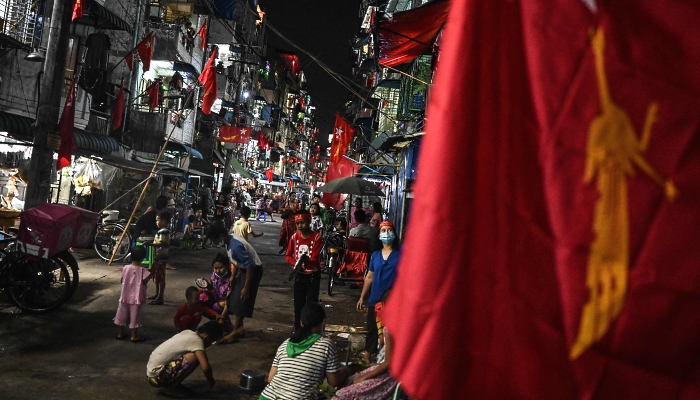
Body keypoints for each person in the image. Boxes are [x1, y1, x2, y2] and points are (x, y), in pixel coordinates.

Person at [260, 303, 348, 400]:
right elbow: (334, 382)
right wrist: (346, 370)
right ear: (323, 322)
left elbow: (270, 378)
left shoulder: (286, 343)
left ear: (301, 322)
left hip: (267, 396)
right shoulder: (326, 344)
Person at [333, 293, 397, 399]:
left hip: (391, 376)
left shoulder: (391, 328)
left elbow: (387, 364)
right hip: (391, 370)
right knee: (349, 381)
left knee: (342, 394)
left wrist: (363, 377)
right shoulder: (396, 324)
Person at [356, 220, 401, 361]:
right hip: (374, 298)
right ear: (379, 235)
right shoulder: (375, 255)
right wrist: (362, 297)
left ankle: (387, 358)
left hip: (393, 300)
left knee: (390, 331)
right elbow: (369, 277)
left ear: (394, 233)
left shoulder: (400, 255)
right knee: (372, 329)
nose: (386, 233)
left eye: (389, 230)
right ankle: (368, 354)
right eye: (383, 231)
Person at [146, 321, 223, 397]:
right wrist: (210, 380)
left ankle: (174, 383)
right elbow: (205, 367)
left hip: (152, 374)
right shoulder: (197, 341)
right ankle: (170, 388)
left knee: (190, 356)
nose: (210, 344)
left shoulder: (188, 332)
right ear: (206, 337)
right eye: (212, 342)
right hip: (158, 377)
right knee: (195, 357)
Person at [219, 233, 264, 343]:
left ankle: (235, 331)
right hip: (244, 270)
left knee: (242, 299)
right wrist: (233, 276)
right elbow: (235, 261)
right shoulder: (228, 241)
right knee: (233, 296)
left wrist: (246, 287)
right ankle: (240, 329)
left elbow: (250, 265)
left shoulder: (235, 246)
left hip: (253, 270)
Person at [285, 210, 323, 331]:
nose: (300, 226)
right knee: (298, 304)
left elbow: (315, 258)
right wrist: (296, 263)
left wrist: (306, 261)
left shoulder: (316, 237)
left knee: (312, 303)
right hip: (299, 275)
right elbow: (288, 255)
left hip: (313, 275)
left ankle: (311, 330)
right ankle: (298, 329)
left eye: (302, 222)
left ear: (309, 221)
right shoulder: (294, 237)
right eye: (298, 223)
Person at [114, 245, 151, 342]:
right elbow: (144, 282)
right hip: (136, 298)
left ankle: (120, 333)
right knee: (135, 316)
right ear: (143, 258)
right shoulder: (143, 271)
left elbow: (122, 280)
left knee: (121, 314)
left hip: (124, 296)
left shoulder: (126, 268)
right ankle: (134, 336)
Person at [148, 211, 171, 305]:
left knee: (161, 278)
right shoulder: (162, 231)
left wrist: (151, 244)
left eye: (158, 220)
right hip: (158, 257)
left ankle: (160, 297)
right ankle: (157, 294)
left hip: (161, 258)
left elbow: (162, 243)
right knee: (157, 277)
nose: (156, 222)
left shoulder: (164, 231)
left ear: (164, 221)